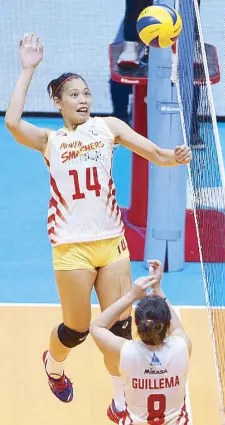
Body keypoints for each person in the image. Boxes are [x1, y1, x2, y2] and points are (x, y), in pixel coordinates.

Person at [5, 33, 192, 404]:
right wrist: (28, 68)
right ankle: (53, 366)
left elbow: (155, 152)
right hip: (71, 248)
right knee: (76, 329)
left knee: (121, 327)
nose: (83, 99)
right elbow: (12, 122)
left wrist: (176, 155)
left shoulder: (108, 128)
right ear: (58, 102)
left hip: (111, 243)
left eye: (87, 93)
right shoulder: (49, 140)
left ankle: (120, 401)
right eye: (74, 94)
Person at [90, 259, 191, 424]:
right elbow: (178, 328)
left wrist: (131, 296)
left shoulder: (126, 352)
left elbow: (96, 327)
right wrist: (157, 289)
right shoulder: (182, 348)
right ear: (166, 324)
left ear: (137, 325)